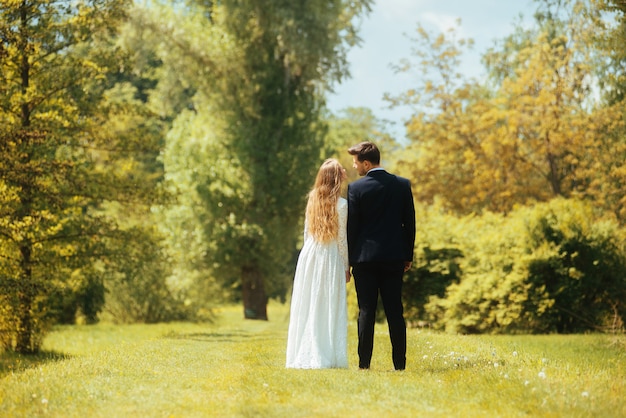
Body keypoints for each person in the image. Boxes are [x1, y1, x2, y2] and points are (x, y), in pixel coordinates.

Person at [347, 142, 416, 371]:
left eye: (356, 162)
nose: (354, 166)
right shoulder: (402, 185)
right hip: (394, 257)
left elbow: (352, 228)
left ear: (366, 163)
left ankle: (364, 365)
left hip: (364, 259)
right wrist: (408, 256)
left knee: (366, 311)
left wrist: (349, 259)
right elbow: (410, 224)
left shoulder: (355, 189)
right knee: (395, 311)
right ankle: (400, 365)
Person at [286, 158, 351, 369]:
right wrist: (345, 267)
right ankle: (326, 351)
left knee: (310, 301)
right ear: (336, 177)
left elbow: (307, 232)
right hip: (330, 255)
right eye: (341, 170)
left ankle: (310, 348)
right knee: (328, 302)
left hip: (310, 254)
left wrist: (307, 257)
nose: (344, 172)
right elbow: (342, 239)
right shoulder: (342, 205)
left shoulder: (312, 199)